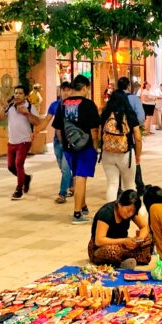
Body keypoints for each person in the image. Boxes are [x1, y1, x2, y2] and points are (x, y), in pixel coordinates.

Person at [52, 75, 102, 225]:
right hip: (85, 147)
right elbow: (94, 130)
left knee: (77, 176)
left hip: (68, 147)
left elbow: (58, 130)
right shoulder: (89, 105)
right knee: (81, 177)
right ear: (85, 87)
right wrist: (95, 146)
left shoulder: (63, 104)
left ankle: (83, 205)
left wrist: (64, 144)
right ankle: (77, 213)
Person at [88, 189, 152, 269]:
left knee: (148, 238)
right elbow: (99, 240)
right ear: (119, 204)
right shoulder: (106, 212)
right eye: (128, 211)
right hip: (100, 248)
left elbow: (145, 226)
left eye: (133, 212)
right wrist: (124, 241)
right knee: (112, 252)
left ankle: (125, 258)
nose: (130, 214)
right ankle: (122, 262)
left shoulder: (131, 211)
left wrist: (139, 239)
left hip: (122, 246)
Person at [98, 90, 142, 205]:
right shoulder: (129, 114)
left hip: (107, 153)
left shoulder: (105, 113)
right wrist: (138, 155)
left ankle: (111, 212)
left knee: (112, 184)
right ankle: (134, 212)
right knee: (129, 185)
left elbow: (99, 133)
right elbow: (137, 137)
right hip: (125, 154)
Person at [41, 82, 74, 204]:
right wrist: (37, 131)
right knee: (61, 166)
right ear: (60, 92)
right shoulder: (55, 105)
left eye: (68, 90)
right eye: (63, 90)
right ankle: (72, 184)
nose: (66, 92)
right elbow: (46, 120)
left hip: (69, 142)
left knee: (65, 168)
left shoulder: (75, 106)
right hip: (57, 141)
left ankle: (62, 194)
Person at [5, 84, 40, 200]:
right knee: (10, 166)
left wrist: (26, 113)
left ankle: (19, 189)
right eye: (16, 93)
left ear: (25, 96)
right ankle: (26, 178)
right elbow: (0, 118)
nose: (17, 95)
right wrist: (4, 106)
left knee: (19, 164)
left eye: (20, 93)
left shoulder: (30, 107)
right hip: (11, 141)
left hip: (24, 141)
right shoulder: (10, 107)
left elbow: (37, 122)